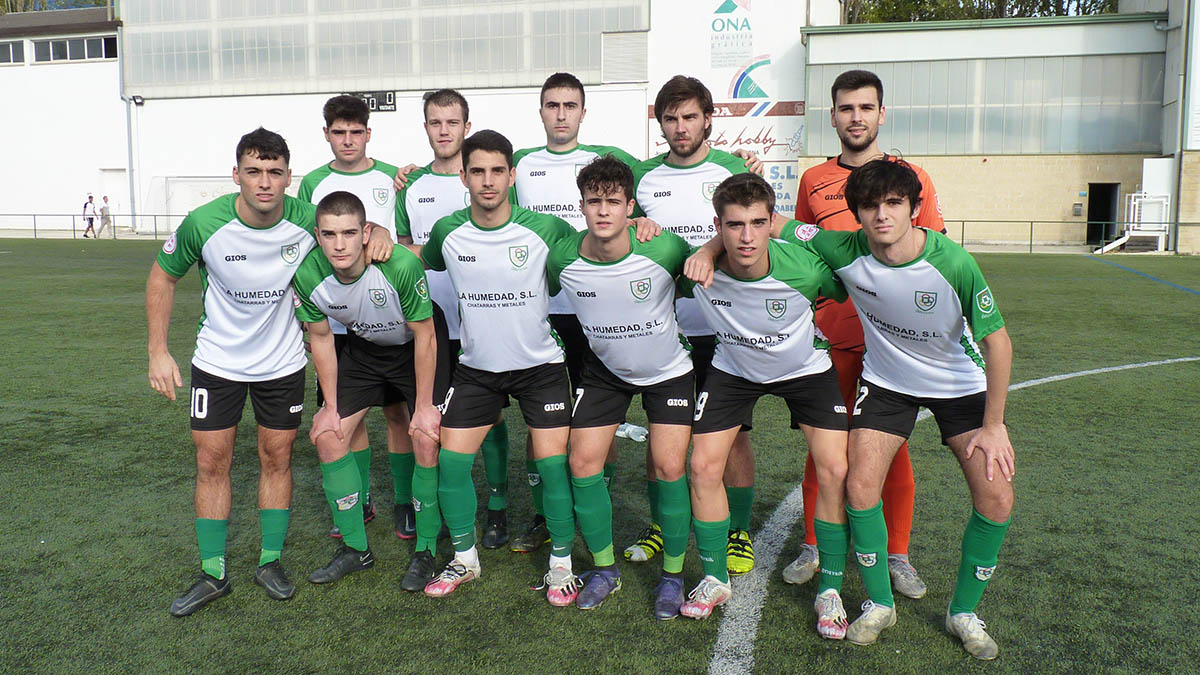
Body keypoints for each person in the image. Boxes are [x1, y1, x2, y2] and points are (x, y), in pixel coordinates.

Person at [783, 159, 1013, 659]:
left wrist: (994, 426)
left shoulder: (951, 262)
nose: (882, 215)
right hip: (887, 383)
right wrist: (713, 245)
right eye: (870, 206)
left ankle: (963, 614)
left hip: (960, 386)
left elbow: (998, 342)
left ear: (913, 208)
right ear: (856, 213)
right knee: (860, 487)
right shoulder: (841, 247)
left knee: (996, 500)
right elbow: (773, 221)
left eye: (893, 204)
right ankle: (880, 603)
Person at [782, 69, 945, 599]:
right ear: (832, 116)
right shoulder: (812, 181)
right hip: (833, 339)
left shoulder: (912, 176)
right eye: (846, 108)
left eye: (866, 108)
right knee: (824, 444)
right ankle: (814, 543)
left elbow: (933, 254)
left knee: (892, 450)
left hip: (895, 344)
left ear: (881, 114)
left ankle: (897, 554)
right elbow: (804, 251)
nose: (856, 117)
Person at [148, 128, 318, 616]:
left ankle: (270, 561)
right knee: (211, 460)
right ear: (237, 175)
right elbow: (162, 275)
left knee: (277, 456)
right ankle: (213, 572)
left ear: (288, 176)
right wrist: (158, 352)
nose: (264, 182)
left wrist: (381, 232)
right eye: (254, 171)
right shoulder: (205, 223)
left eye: (274, 172)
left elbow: (357, 231)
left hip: (283, 363)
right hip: (217, 361)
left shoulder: (308, 220)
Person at [676, 173, 850, 632]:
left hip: (804, 371)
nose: (747, 236)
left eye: (758, 222)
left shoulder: (806, 269)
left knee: (835, 468)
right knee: (702, 467)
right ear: (718, 225)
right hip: (734, 369)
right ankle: (715, 576)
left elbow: (847, 289)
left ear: (773, 221)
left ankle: (830, 587)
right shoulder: (695, 267)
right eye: (734, 225)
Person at [544, 156, 695, 619]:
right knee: (582, 461)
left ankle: (672, 576)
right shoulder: (564, 258)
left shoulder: (664, 248)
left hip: (668, 370)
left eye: (613, 201)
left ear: (631, 206)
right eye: (594, 201)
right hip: (604, 371)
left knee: (670, 467)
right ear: (582, 206)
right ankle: (605, 570)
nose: (603, 210)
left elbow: (701, 269)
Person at [627, 74, 765, 577]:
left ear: (708, 118)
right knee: (662, 431)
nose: (680, 127)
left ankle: (738, 530)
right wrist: (633, 224)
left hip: (722, 329)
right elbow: (619, 230)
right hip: (661, 328)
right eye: (670, 118)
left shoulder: (732, 168)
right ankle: (664, 523)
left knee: (731, 435)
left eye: (689, 116)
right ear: (659, 123)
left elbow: (754, 232)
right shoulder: (640, 178)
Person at [507, 72, 643, 555]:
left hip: (598, 310)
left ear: (583, 112)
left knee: (591, 418)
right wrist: (411, 174)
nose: (561, 114)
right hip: (540, 308)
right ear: (540, 111)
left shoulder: (611, 160)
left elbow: (656, 191)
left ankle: (592, 503)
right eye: (552, 105)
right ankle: (544, 514)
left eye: (570, 105)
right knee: (542, 419)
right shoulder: (519, 164)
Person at [291, 190, 447, 590]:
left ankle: (426, 548)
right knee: (328, 434)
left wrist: (426, 406)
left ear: (365, 233)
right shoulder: (307, 275)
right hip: (364, 350)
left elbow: (426, 335)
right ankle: (355, 549)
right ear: (317, 235)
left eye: (348, 233)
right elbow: (322, 339)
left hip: (417, 346)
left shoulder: (398, 265)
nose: (339, 244)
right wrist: (329, 405)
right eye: (329, 234)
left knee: (425, 436)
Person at [393, 89, 515, 552]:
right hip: (432, 326)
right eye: (434, 122)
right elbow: (407, 253)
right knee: (433, 420)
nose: (443, 131)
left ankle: (499, 508)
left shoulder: (491, 179)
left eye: (452, 122)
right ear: (425, 127)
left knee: (493, 419)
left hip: (486, 320)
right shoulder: (410, 186)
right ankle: (442, 507)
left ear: (466, 126)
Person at [297, 94, 412, 542]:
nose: (347, 140)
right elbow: (311, 241)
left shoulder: (390, 179)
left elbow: (397, 238)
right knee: (349, 415)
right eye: (338, 132)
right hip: (332, 318)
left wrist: (382, 232)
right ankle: (361, 500)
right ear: (326, 134)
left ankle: (405, 502)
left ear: (368, 133)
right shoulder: (312, 183)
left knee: (399, 412)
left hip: (384, 317)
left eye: (355, 131)